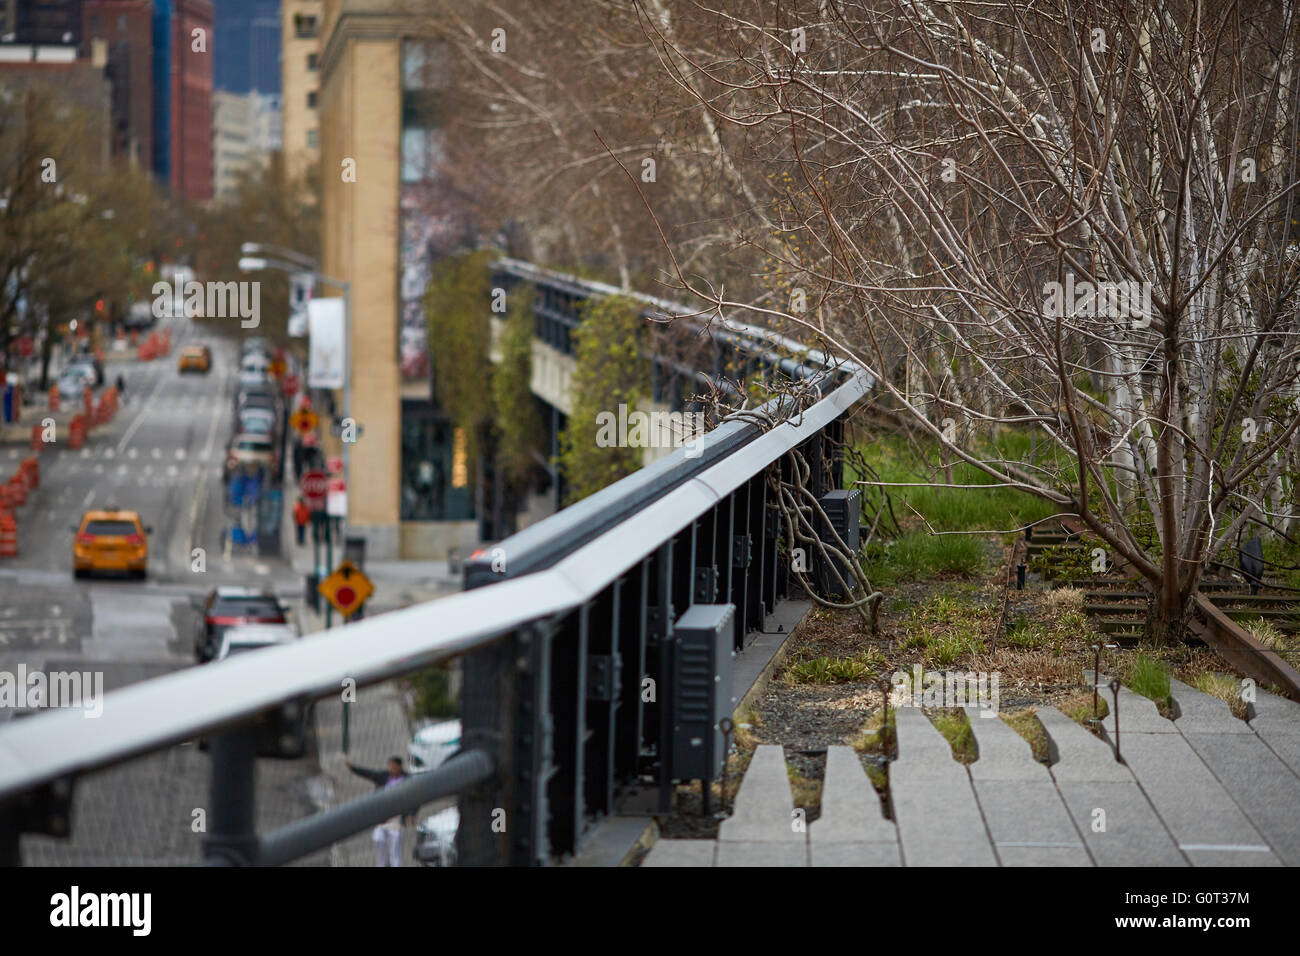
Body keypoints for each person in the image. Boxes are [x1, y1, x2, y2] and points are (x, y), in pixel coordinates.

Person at [346, 756, 413, 866]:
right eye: (391, 767)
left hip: (396, 819)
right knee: (378, 839)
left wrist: (411, 815)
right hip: (382, 818)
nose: (393, 769)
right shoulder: (383, 777)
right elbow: (368, 774)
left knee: (395, 847)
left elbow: (415, 800)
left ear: (400, 767)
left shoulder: (407, 779)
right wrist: (352, 768)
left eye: (395, 767)